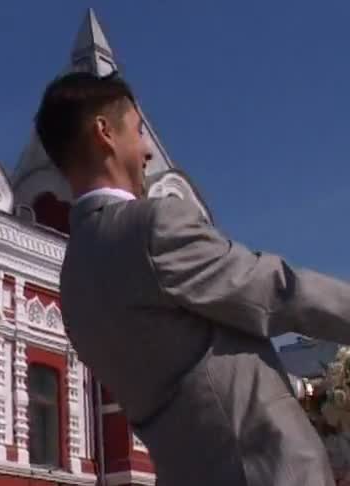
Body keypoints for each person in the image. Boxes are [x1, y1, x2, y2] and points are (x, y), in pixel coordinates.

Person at [34, 71, 350, 486]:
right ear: (105, 133)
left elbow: (200, 378)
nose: (147, 150)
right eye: (138, 130)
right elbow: (274, 291)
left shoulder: (73, 282)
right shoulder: (149, 228)